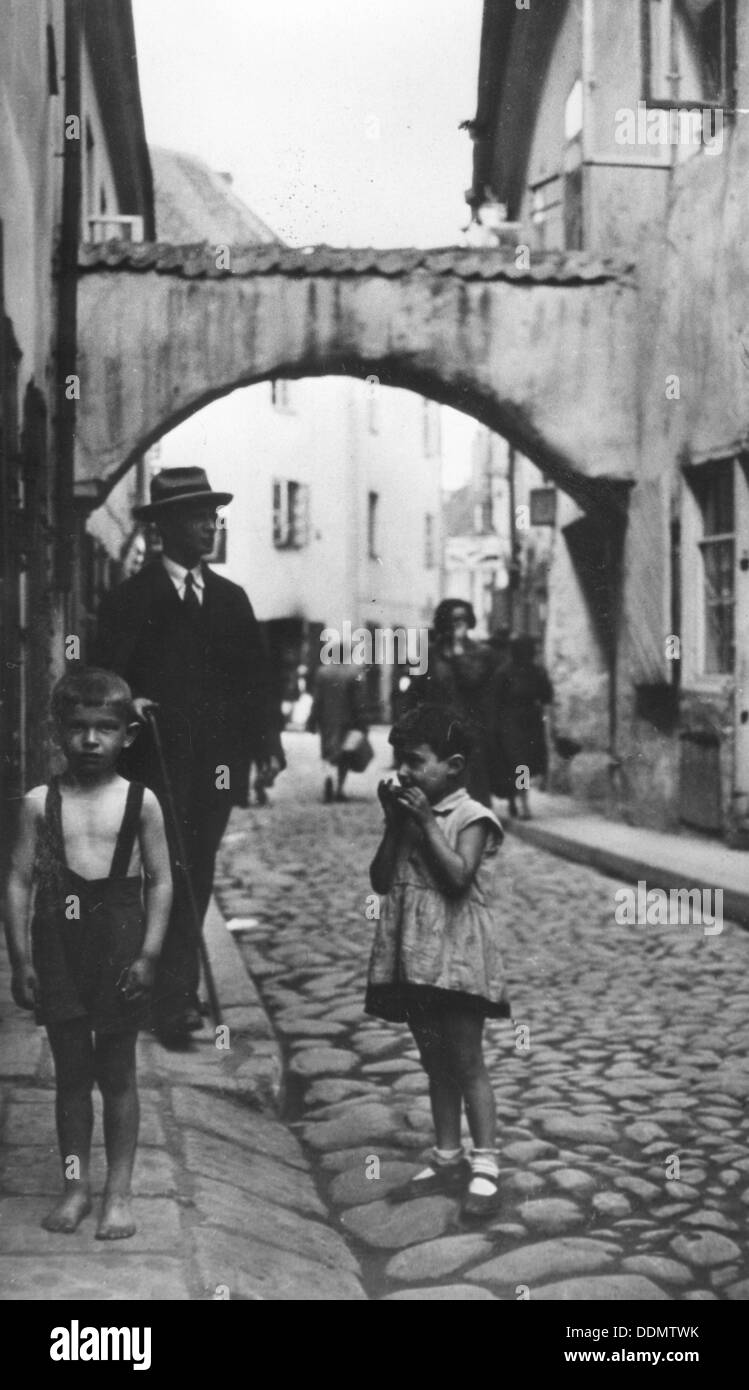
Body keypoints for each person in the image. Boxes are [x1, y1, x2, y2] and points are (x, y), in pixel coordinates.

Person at [92, 467, 281, 1047]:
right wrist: (130, 702)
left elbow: (257, 681)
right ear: (166, 526)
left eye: (213, 517)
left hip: (218, 767)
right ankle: (169, 997)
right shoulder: (130, 598)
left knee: (197, 865)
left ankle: (172, 988)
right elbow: (102, 676)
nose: (210, 527)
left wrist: (266, 745)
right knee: (162, 872)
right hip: (155, 765)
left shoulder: (230, 599)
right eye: (198, 517)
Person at [4, 669, 172, 1239]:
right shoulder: (38, 802)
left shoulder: (140, 802)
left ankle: (118, 1192)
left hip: (119, 942)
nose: (92, 741)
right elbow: (19, 881)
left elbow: (162, 880)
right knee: (71, 1075)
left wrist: (150, 954)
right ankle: (76, 1187)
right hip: (59, 945)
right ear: (58, 733)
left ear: (128, 734)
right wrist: (20, 959)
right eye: (79, 729)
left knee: (118, 1072)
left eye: (106, 729)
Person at [365, 704, 509, 1217]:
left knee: (467, 1061)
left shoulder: (472, 818)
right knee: (433, 1061)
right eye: (398, 760)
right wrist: (394, 824)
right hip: (416, 960)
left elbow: (456, 877)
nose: (403, 771)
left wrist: (425, 822)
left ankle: (486, 1162)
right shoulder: (409, 814)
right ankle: (447, 1154)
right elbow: (381, 879)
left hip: (460, 960)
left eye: (414, 760)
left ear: (452, 765)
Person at [406, 598, 497, 806]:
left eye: (464, 618)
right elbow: (415, 693)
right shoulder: (430, 654)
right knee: (437, 794)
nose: (459, 623)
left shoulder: (480, 653)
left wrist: (458, 651)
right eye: (454, 619)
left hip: (469, 733)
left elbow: (472, 681)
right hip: (436, 734)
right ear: (444, 622)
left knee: (472, 796)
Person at [491, 634, 553, 819]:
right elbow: (495, 700)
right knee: (519, 764)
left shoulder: (537, 672)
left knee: (524, 764)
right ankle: (520, 801)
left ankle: (518, 797)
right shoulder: (504, 673)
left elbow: (546, 696)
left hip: (530, 723)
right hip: (510, 722)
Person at [307, 658, 369, 803]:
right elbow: (359, 700)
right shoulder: (354, 672)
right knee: (344, 757)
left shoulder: (322, 672)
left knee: (327, 751)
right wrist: (362, 721)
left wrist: (312, 719)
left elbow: (317, 698)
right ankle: (339, 789)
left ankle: (328, 777)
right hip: (347, 721)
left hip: (326, 720)